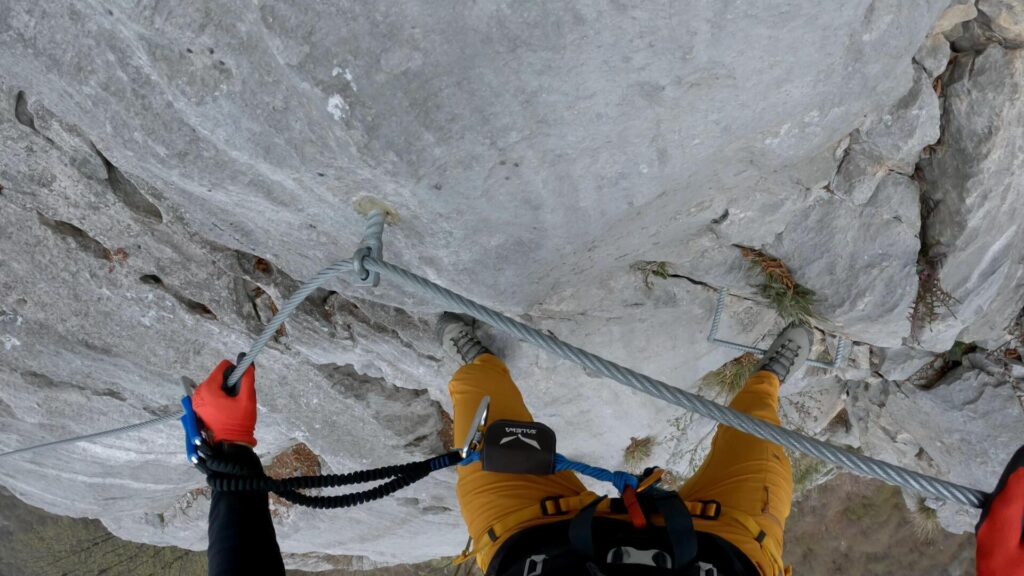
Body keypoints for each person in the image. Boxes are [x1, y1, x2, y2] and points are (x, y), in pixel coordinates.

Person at [192, 317, 1024, 576]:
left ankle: (475, 358)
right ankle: (769, 373)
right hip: (727, 544)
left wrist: (233, 464)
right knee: (762, 431)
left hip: (534, 536)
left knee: (484, 407)